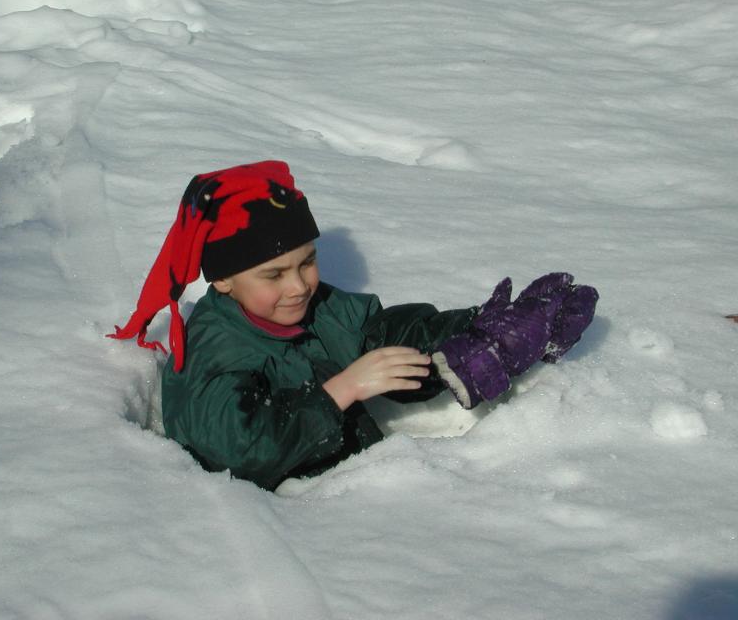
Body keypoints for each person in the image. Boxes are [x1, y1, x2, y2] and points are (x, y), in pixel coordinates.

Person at [110, 160, 598, 491]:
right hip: (302, 525)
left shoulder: (314, 308)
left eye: (307, 262)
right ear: (221, 281)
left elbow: (380, 336)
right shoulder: (215, 351)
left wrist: (474, 334)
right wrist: (339, 391)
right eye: (273, 274)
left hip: (362, 483)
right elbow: (237, 451)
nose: (299, 286)